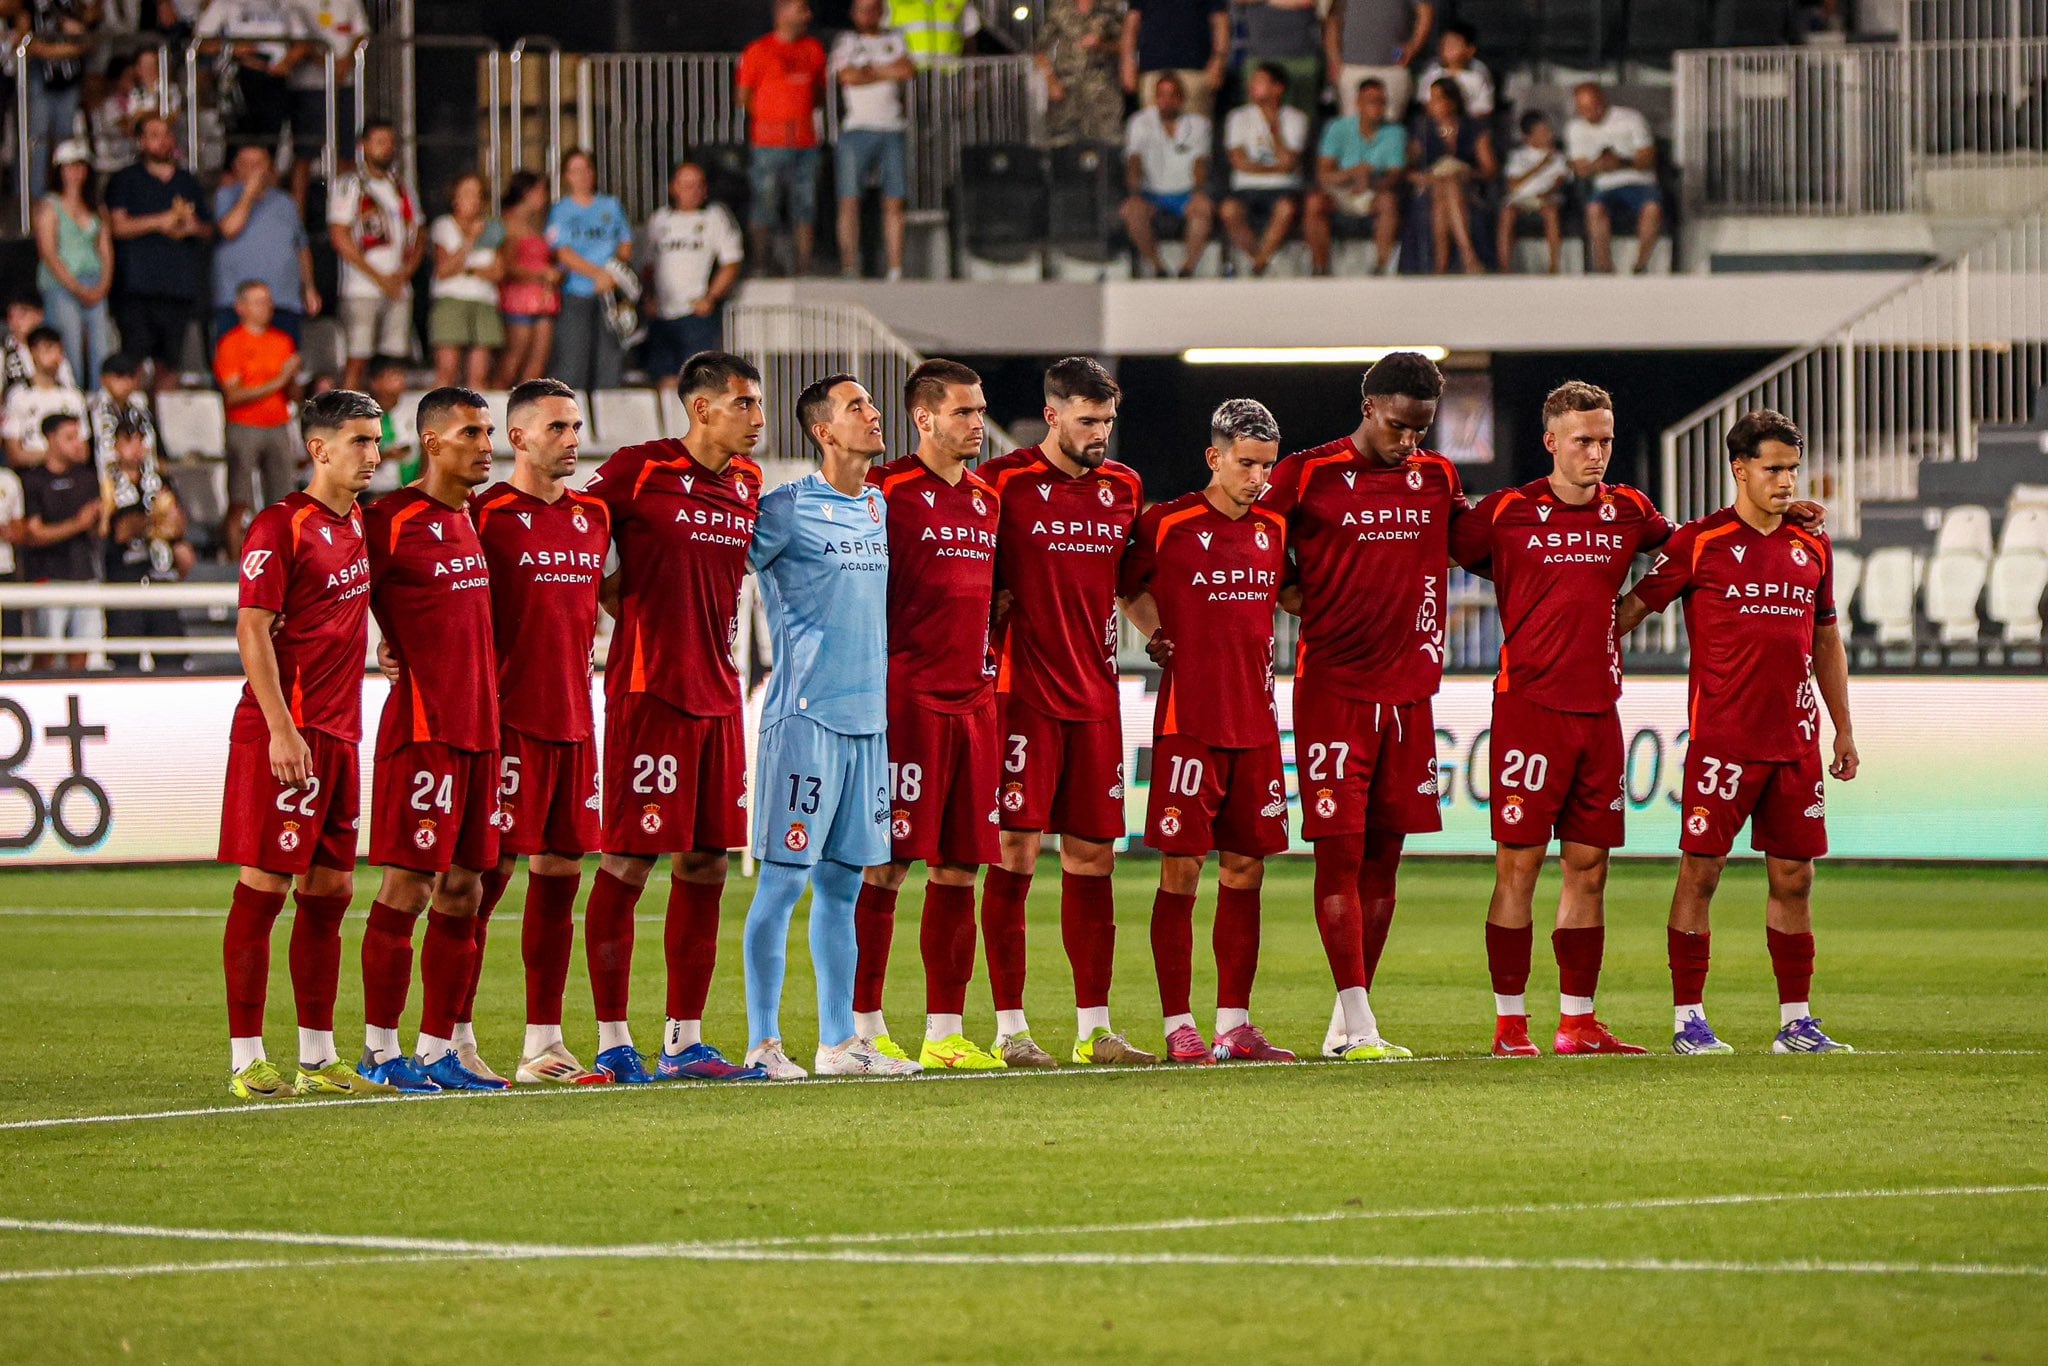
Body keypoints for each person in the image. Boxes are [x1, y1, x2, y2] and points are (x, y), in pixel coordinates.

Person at [1615, 410, 1859, 1056]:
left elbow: (1826, 640)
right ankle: (1689, 1019)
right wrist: (1569, 655)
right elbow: (1634, 609)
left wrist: (1842, 730)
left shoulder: (1813, 545)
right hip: (1723, 741)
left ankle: (1797, 1021)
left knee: (1795, 878)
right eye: (1773, 468)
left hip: (1796, 742)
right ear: (1739, 469)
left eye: (1791, 469)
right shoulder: (1702, 542)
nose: (1785, 481)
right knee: (1702, 873)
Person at [1447, 382, 1674, 1059]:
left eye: (1604, 441)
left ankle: (1578, 1023)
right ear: (1552, 443)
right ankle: (1510, 1025)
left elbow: (1690, 551)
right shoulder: (1509, 512)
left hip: (1599, 713)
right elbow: (1456, 551)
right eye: (1583, 441)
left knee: (1590, 866)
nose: (1596, 454)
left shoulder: (1630, 511)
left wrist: (1638, 605)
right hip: (1528, 713)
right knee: (1518, 866)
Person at [1263, 352, 1465, 1062]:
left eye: (1422, 430)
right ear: (1370, 405)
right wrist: (1292, 596)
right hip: (1335, 694)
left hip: (1411, 694)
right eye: (1401, 426)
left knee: (1386, 860)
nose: (1411, 442)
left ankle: (1348, 1021)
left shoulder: (1437, 478)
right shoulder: (1307, 474)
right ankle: (1361, 1025)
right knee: (1340, 857)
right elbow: (1255, 544)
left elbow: (1477, 541)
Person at [577, 351, 772, 1086]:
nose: (757, 419)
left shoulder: (749, 483)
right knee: (628, 859)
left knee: (707, 861)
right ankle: (612, 1040)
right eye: (744, 404)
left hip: (719, 697)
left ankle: (685, 1041)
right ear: (701, 408)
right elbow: (576, 534)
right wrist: (626, 608)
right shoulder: (637, 469)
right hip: (648, 691)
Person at [976, 358, 1159, 1067]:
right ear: (1052, 416)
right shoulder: (1003, 484)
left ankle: (1094, 1030)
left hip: (1096, 698)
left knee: (1094, 857)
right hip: (1019, 696)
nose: (1099, 435)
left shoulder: (1124, 488)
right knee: (1015, 851)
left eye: (1107, 421)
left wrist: (1161, 632)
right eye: (1087, 421)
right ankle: (1011, 1029)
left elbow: (1129, 585)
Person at [741, 373, 921, 1081]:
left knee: (845, 887)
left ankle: (839, 1042)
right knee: (783, 883)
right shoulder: (785, 509)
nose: (874, 416)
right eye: (858, 408)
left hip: (867, 725)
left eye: (872, 406)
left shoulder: (879, 506)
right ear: (824, 431)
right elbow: (723, 570)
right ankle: (761, 1044)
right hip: (805, 720)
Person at [214, 387, 387, 1100]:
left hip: (341, 732)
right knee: (265, 889)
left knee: (331, 892)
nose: (373, 455)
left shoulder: (360, 527)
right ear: (319, 449)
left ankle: (318, 1058)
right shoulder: (280, 527)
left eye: (377, 442)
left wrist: (385, 647)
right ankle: (246, 1058)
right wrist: (281, 728)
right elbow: (253, 628)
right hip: (286, 732)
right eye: (360, 442)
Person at [1120, 398, 1296, 1064]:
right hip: (1189, 725)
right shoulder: (1166, 525)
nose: (1257, 478)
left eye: (1267, 466)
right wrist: (1156, 633)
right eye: (1246, 464)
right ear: (1213, 457)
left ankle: (1234, 1024)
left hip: (1255, 724)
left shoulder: (1273, 529)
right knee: (1183, 868)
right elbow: (1124, 586)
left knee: (1247, 868)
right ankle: (1177, 1025)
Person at [853, 360, 1011, 1070]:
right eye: (964, 413)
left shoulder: (986, 498)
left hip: (974, 705)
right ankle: (862, 1028)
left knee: (959, 870)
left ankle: (945, 1032)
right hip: (904, 701)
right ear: (924, 419)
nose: (977, 425)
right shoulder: (884, 492)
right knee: (884, 867)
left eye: (979, 412)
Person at [458, 379, 609, 1084]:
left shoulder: (594, 517)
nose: (572, 439)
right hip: (506, 728)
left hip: (576, 726)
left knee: (559, 885)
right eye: (557, 427)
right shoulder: (482, 515)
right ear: (516, 438)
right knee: (482, 882)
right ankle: (450, 1037)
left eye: (576, 426)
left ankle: (542, 1045)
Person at [355, 386, 506, 1095]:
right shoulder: (387, 519)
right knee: (409, 886)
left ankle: (440, 1048)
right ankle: (381, 1052)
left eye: (490, 433)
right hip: (422, 731)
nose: (487, 445)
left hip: (481, 731)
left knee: (466, 890)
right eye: (473, 433)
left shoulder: (476, 518)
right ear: (432, 442)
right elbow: (329, 596)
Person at [106, 115, 213, 389]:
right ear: (141, 141)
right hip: (136, 287)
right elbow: (116, 227)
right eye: (154, 134)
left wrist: (192, 226)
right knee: (135, 360)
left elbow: (208, 229)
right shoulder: (125, 179)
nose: (162, 140)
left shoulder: (187, 181)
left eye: (166, 134)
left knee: (171, 363)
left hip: (178, 288)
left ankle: (165, 422)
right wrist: (160, 221)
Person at [328, 119, 423, 391]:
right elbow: (340, 235)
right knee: (357, 358)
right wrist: (379, 277)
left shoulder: (401, 186)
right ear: (363, 146)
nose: (387, 149)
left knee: (392, 363)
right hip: (362, 287)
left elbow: (418, 232)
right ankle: (348, 421)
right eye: (380, 143)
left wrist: (404, 273)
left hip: (398, 285)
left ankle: (384, 425)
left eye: (391, 143)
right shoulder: (350, 185)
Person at [738, 0, 827, 278]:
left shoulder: (813, 49)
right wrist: (772, 119)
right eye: (802, 9)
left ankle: (803, 267)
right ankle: (763, 264)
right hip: (768, 143)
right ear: (783, 12)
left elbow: (818, 94)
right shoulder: (758, 50)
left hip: (805, 141)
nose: (808, 15)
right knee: (764, 205)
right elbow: (744, 96)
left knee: (805, 207)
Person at [99, 412, 194, 669]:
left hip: (160, 577)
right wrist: (156, 521)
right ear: (115, 446)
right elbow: (120, 531)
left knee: (172, 660)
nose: (136, 447)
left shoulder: (158, 480)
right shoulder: (107, 483)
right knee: (125, 661)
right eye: (128, 440)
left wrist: (161, 525)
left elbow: (178, 524)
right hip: (124, 579)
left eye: (140, 440)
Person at [640, 162, 744, 388]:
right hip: (663, 314)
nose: (692, 190)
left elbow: (731, 262)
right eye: (686, 185)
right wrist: (648, 298)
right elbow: (648, 265)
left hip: (695, 314)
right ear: (673, 188)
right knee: (665, 380)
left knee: (698, 383)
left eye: (698, 185)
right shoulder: (660, 220)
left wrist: (711, 297)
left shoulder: (715, 217)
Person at [830, 0, 913, 281]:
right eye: (862, 9)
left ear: (881, 12)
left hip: (892, 128)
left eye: (873, 8)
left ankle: (896, 268)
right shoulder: (846, 41)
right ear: (854, 13)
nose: (868, 14)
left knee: (894, 201)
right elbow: (848, 76)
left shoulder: (895, 37)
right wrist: (883, 70)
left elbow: (906, 70)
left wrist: (869, 69)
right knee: (849, 200)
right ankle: (850, 266)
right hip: (856, 129)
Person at [215, 280, 302, 547]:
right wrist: (281, 379)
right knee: (240, 500)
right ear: (241, 307)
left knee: (284, 500)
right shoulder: (231, 344)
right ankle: (235, 561)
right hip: (244, 426)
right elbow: (234, 394)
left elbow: (293, 393)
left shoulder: (283, 341)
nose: (266, 307)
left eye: (267, 300)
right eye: (258, 301)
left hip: (279, 425)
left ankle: (283, 559)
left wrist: (294, 381)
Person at [213, 142, 320, 346]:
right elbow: (230, 229)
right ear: (236, 168)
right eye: (246, 164)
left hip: (283, 301)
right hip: (237, 305)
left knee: (283, 366)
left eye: (258, 164)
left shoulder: (286, 203)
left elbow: (301, 247)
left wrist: (309, 288)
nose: (253, 170)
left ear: (270, 167)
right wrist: (249, 194)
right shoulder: (224, 197)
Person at [545, 149, 632, 392]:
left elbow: (625, 244)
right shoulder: (561, 210)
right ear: (566, 176)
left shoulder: (611, 205)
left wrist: (611, 273)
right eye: (575, 171)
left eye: (586, 169)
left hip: (610, 294)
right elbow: (562, 252)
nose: (581, 176)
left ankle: (609, 419)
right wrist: (597, 274)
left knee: (610, 359)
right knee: (574, 360)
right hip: (576, 291)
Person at [1305, 76, 1407, 276]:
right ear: (1358, 103)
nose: (1377, 106)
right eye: (1371, 101)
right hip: (1341, 191)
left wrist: (1372, 183)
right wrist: (1353, 174)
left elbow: (1395, 174)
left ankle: (1381, 266)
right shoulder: (1337, 128)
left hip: (1374, 191)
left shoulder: (1395, 132)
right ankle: (1320, 267)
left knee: (1388, 203)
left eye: (1381, 101)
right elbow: (1324, 174)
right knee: (1314, 203)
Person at [1119, 70, 1215, 279]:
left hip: (1185, 193)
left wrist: (1199, 191)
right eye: (1161, 95)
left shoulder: (1199, 125)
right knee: (1131, 211)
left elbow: (1200, 162)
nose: (1166, 101)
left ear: (1181, 99)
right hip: (1151, 193)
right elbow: (1134, 160)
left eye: (1172, 95)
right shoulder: (1139, 122)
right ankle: (1157, 267)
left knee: (1203, 209)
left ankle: (1188, 268)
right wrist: (1135, 193)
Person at [35, 140, 113, 391]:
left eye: (79, 166)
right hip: (62, 283)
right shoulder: (49, 205)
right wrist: (76, 287)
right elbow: (48, 252)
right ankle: (73, 397)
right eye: (69, 167)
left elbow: (105, 249)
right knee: (69, 347)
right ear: (59, 170)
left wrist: (103, 284)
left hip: (93, 278)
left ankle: (100, 400)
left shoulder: (95, 207)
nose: (75, 172)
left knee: (101, 345)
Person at [1220, 62, 1309, 277]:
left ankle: (1258, 266)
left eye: (1259, 81)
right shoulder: (1238, 117)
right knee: (1228, 211)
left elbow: (1289, 162)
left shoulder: (1297, 118)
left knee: (1286, 210)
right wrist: (1277, 168)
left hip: (1283, 188)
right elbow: (1239, 162)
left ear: (1278, 88)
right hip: (1245, 187)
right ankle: (1260, 259)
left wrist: (1274, 129)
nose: (1252, 85)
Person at [1566, 82, 1664, 275]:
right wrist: (1599, 166)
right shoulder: (1575, 128)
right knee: (1594, 210)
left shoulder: (1631, 119)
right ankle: (1604, 269)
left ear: (1601, 103)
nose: (1587, 113)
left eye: (1590, 107)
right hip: (1605, 186)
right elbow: (1579, 167)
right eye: (1581, 109)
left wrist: (1621, 163)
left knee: (1652, 209)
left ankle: (1640, 266)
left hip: (1639, 182)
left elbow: (1648, 157)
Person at [194, 0, 315, 147]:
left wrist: (287, 62)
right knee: (240, 140)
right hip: (238, 77)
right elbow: (200, 43)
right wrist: (232, 48)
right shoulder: (224, 3)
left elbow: (304, 42)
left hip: (274, 77)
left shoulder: (285, 4)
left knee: (270, 138)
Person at [428, 172, 505, 389]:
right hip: (452, 300)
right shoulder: (444, 225)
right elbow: (444, 269)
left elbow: (498, 272)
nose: (474, 200)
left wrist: (467, 268)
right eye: (468, 193)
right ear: (455, 197)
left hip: (484, 301)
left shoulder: (493, 228)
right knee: (448, 371)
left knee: (479, 376)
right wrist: (471, 238)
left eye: (478, 194)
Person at [286, 0, 367, 203]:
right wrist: (326, 63)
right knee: (305, 154)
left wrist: (346, 62)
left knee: (347, 152)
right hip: (309, 87)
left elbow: (362, 33)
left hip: (345, 86)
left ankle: (345, 211)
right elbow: (297, 42)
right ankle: (298, 223)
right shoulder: (294, 3)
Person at [1413, 75, 1494, 275]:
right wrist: (1429, 178)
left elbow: (1490, 169)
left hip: (1467, 188)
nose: (1432, 104)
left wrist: (1465, 173)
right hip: (1430, 186)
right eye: (1431, 99)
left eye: (1438, 99)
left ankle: (1442, 264)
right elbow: (1408, 170)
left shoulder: (1473, 128)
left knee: (1449, 187)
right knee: (1444, 187)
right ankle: (1469, 257)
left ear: (1452, 101)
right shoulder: (1422, 129)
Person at [22, 0, 93, 203]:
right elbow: (27, 43)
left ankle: (67, 198)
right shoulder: (30, 5)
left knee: (66, 141)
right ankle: (33, 201)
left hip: (70, 79)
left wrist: (78, 35)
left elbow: (88, 36)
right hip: (40, 79)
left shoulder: (71, 4)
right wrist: (71, 47)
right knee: (38, 142)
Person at [495, 171, 560, 389]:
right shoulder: (509, 224)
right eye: (541, 191)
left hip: (543, 300)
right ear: (526, 193)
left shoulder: (537, 225)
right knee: (513, 360)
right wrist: (541, 274)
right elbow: (507, 266)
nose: (545, 197)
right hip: (519, 300)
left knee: (537, 366)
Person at [1037, 0, 1124, 147]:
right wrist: (1051, 81)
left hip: (1102, 89)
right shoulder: (1060, 7)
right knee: (1062, 145)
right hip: (1066, 90)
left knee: (1109, 144)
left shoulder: (1110, 7)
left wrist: (1101, 45)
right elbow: (1039, 49)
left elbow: (1124, 45)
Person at [1325, 0, 1431, 118]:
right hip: (1351, 66)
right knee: (1352, 126)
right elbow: (1333, 18)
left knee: (1390, 126)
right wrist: (1334, 59)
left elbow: (1425, 11)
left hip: (1393, 66)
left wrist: (1413, 47)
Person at [1121, 0, 1227, 117]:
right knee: (1152, 129)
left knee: (1195, 129)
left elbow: (1220, 20)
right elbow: (1132, 23)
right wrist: (1128, 62)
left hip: (1195, 72)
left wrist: (1218, 60)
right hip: (1152, 71)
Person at [1497, 109, 1569, 276]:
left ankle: (1554, 266)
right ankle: (1505, 268)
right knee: (1507, 214)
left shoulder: (1558, 156)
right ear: (1528, 137)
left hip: (1547, 198)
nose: (1548, 135)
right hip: (1521, 198)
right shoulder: (1518, 156)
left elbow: (1560, 180)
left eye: (1548, 130)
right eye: (1543, 132)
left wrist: (1547, 193)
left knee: (1551, 213)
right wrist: (1541, 166)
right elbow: (1513, 184)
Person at [4, 326, 86, 469]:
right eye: (48, 349)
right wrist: (54, 456)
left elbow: (84, 452)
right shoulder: (18, 396)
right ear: (32, 352)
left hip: (71, 471)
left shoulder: (73, 397)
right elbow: (14, 454)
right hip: (33, 472)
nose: (55, 356)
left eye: (59, 350)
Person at [1236, 0, 1322, 117]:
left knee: (1301, 119)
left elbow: (1309, 2)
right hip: (1260, 57)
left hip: (1301, 58)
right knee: (1256, 117)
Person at [86, 352, 155, 476]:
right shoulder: (92, 409)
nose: (126, 382)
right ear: (104, 379)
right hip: (102, 475)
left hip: (139, 473)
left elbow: (149, 446)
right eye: (119, 377)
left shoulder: (140, 406)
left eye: (130, 377)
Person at [1417, 20, 1492, 119]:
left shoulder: (1476, 78)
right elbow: (1424, 101)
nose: (1448, 48)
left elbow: (1484, 107)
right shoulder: (1432, 74)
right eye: (1445, 44)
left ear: (1470, 50)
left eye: (1454, 44)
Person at [3, 298, 76, 396]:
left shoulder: (52, 349)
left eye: (23, 314)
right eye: (11, 316)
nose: (16, 322)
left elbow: (69, 388)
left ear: (39, 316)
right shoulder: (4, 352)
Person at [887, 0, 979, 68]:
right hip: (909, 77)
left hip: (951, 80)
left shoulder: (959, 2)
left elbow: (970, 41)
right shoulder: (894, 3)